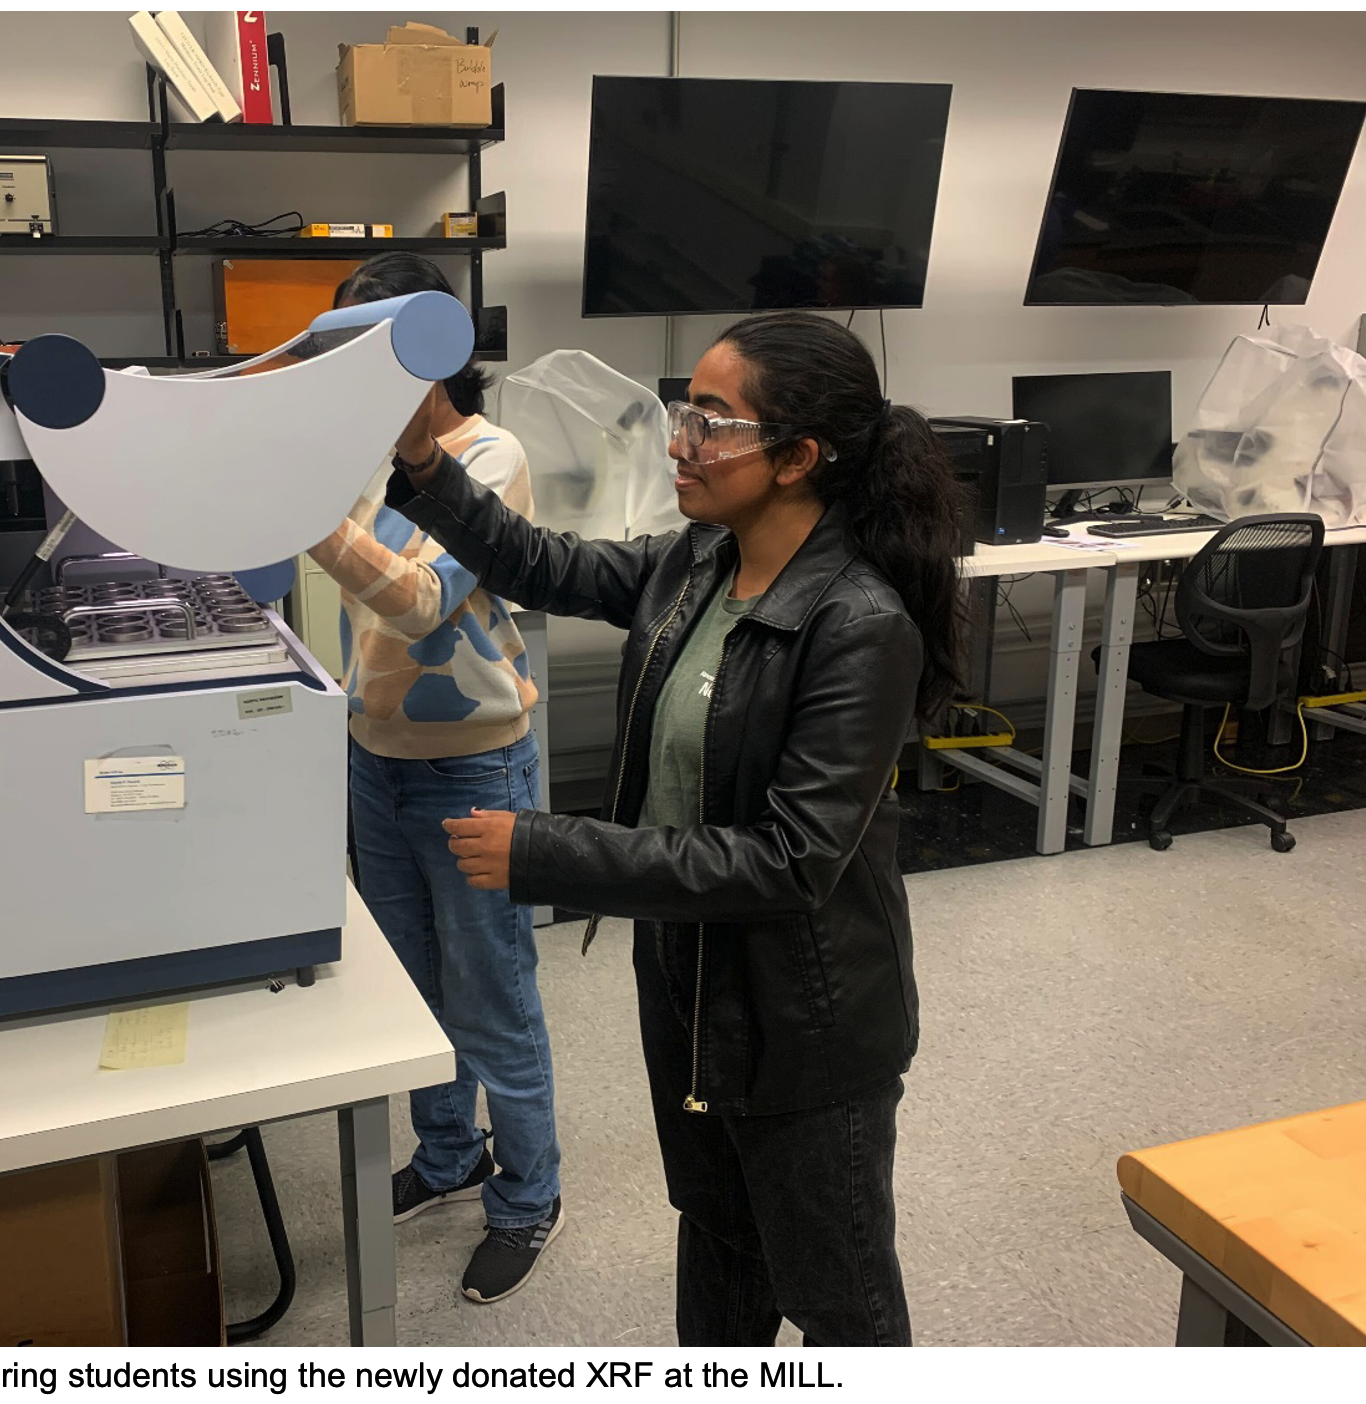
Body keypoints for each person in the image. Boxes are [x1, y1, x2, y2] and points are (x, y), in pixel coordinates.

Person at [384, 311, 967, 1346]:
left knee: (838, 1297)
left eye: (712, 422)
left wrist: (546, 850)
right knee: (718, 1243)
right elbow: (544, 565)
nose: (677, 441)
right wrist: (426, 461)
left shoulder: (859, 623)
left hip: (805, 1022)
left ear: (795, 458)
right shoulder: (701, 559)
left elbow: (791, 859)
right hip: (691, 988)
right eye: (681, 410)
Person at [309, 253, 564, 1305]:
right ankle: (449, 1154)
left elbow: (418, 602)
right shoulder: (353, 455)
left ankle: (527, 1196)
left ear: (428, 351)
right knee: (410, 988)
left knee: (490, 992)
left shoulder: (485, 457)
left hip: (473, 767)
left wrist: (304, 512)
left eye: (367, 350)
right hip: (376, 761)